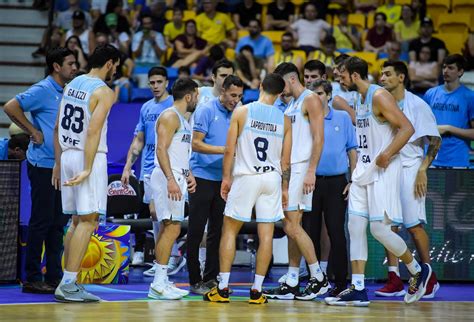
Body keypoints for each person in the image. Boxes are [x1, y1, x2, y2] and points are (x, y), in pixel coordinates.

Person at [325, 56, 431, 307]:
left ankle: (418, 270)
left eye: (342, 75)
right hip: (363, 170)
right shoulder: (358, 99)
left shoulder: (379, 96)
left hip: (383, 170)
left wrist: (387, 153)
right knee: (354, 227)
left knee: (379, 229)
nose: (339, 79)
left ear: (355, 75)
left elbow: (407, 128)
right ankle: (358, 288)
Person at [203, 73, 291, 304]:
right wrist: (284, 188)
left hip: (246, 176)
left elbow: (230, 150)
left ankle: (222, 288)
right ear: (281, 94)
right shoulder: (285, 119)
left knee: (230, 230)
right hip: (271, 178)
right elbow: (285, 161)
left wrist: (225, 178)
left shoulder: (242, 112)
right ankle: (257, 290)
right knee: (267, 235)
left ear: (260, 86)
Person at [3, 48, 77, 294]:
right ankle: (32, 277)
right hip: (43, 165)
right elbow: (11, 106)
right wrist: (31, 131)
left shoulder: (69, 91)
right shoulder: (43, 90)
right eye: (70, 63)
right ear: (56, 66)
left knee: (58, 223)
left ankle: (55, 276)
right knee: (41, 221)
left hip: (62, 166)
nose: (75, 67)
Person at [52, 44, 120, 302]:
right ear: (110, 63)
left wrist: (59, 163)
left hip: (68, 153)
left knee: (76, 221)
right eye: (116, 65)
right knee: (89, 220)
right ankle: (68, 283)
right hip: (86, 156)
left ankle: (68, 280)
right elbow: (93, 131)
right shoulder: (104, 91)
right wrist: (88, 167)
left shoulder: (73, 83)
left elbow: (58, 125)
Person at [264, 62, 329, 301]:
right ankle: (292, 279)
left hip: (302, 168)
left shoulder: (310, 99)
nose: (280, 91)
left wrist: (312, 170)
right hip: (290, 169)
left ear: (291, 79)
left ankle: (318, 276)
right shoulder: (291, 104)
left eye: (281, 85)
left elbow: (318, 138)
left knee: (290, 224)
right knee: (292, 224)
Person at [378, 60, 441, 299]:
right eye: (381, 74)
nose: (382, 78)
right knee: (386, 225)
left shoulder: (418, 105)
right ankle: (394, 278)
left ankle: (429, 277)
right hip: (388, 167)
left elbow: (434, 141)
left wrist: (423, 169)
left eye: (387, 74)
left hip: (410, 167)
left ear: (401, 77)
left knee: (413, 225)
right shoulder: (382, 101)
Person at [187, 75, 244, 295]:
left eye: (239, 96)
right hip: (202, 177)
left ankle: (210, 278)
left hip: (225, 179)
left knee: (218, 231)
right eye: (232, 95)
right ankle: (194, 279)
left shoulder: (240, 112)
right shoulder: (206, 110)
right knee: (196, 230)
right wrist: (225, 150)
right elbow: (196, 143)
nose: (235, 100)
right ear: (222, 91)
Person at [305, 79, 357, 297]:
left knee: (337, 232)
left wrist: (352, 180)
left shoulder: (343, 118)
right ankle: (315, 280)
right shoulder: (304, 119)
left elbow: (352, 149)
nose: (315, 98)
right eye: (312, 94)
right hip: (311, 182)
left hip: (337, 182)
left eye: (319, 93)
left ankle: (341, 282)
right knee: (311, 232)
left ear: (328, 95)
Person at [147, 78, 198, 300]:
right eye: (196, 95)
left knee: (171, 227)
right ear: (189, 96)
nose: (197, 99)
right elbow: (161, 150)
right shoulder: (169, 116)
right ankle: (158, 283)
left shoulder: (184, 120)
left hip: (177, 176)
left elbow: (179, 154)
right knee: (172, 227)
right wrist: (170, 179)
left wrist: (188, 175)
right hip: (167, 178)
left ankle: (161, 280)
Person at [121, 67, 175, 273]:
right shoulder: (145, 108)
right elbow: (139, 140)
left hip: (169, 167)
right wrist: (127, 166)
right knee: (154, 214)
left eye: (159, 82)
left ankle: (170, 256)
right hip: (148, 168)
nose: (155, 86)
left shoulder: (174, 105)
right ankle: (161, 259)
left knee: (167, 214)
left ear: (166, 83)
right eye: (152, 83)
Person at [423, 54, 474, 168]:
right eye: (444, 67)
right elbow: (421, 124)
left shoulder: (470, 97)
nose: (445, 71)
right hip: (431, 159)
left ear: (460, 72)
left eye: (451, 68)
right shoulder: (430, 94)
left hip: (457, 159)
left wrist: (449, 129)